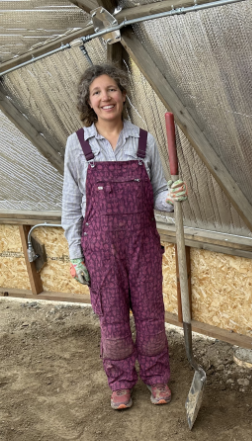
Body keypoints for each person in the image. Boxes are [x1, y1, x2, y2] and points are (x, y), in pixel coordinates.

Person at [62, 64, 187, 410]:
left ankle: (157, 376)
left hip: (142, 246)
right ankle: (120, 382)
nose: (106, 97)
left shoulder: (144, 141)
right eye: (97, 92)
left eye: (112, 89)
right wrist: (76, 254)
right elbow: (71, 205)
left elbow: (159, 194)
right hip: (99, 249)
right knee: (112, 317)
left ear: (123, 95)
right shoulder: (77, 145)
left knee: (150, 314)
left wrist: (171, 197)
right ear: (89, 102)